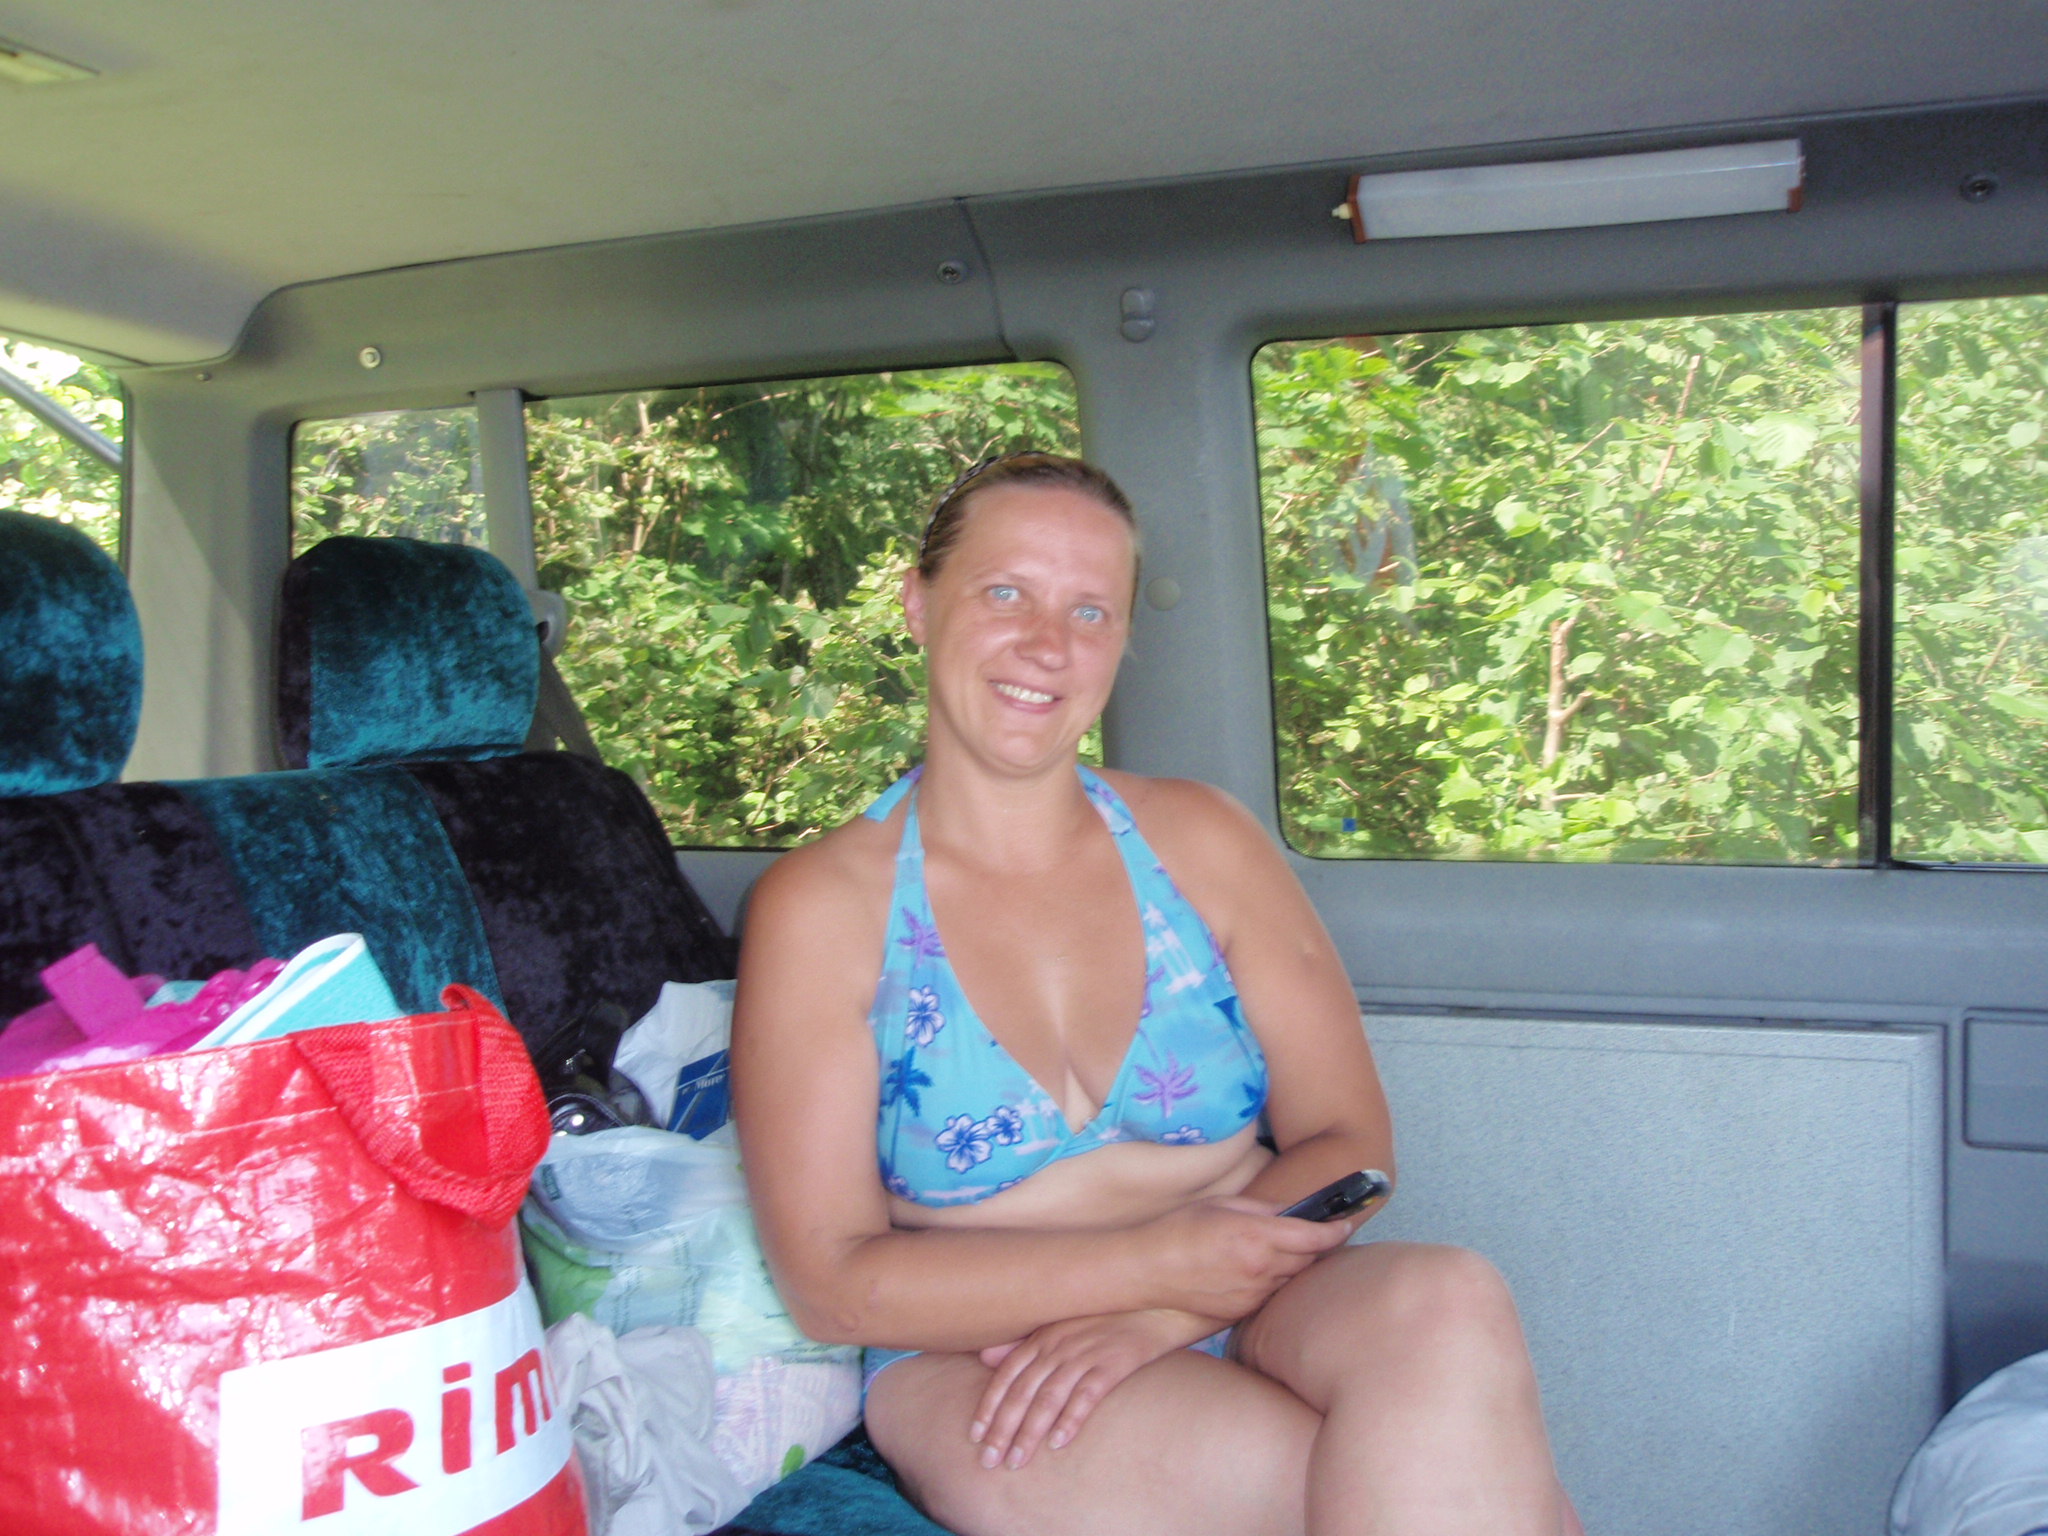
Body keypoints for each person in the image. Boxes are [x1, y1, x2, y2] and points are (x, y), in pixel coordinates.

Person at [732, 453, 1579, 1536]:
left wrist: (1163, 1305)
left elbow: (1350, 1144)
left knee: (1451, 1300)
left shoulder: (1202, 839)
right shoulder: (821, 907)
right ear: (917, 603)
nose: (1048, 643)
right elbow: (830, 1282)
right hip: (980, 1345)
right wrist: (1148, 1264)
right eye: (1006, 593)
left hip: (1249, 1285)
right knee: (1429, 1484)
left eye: (1090, 610)